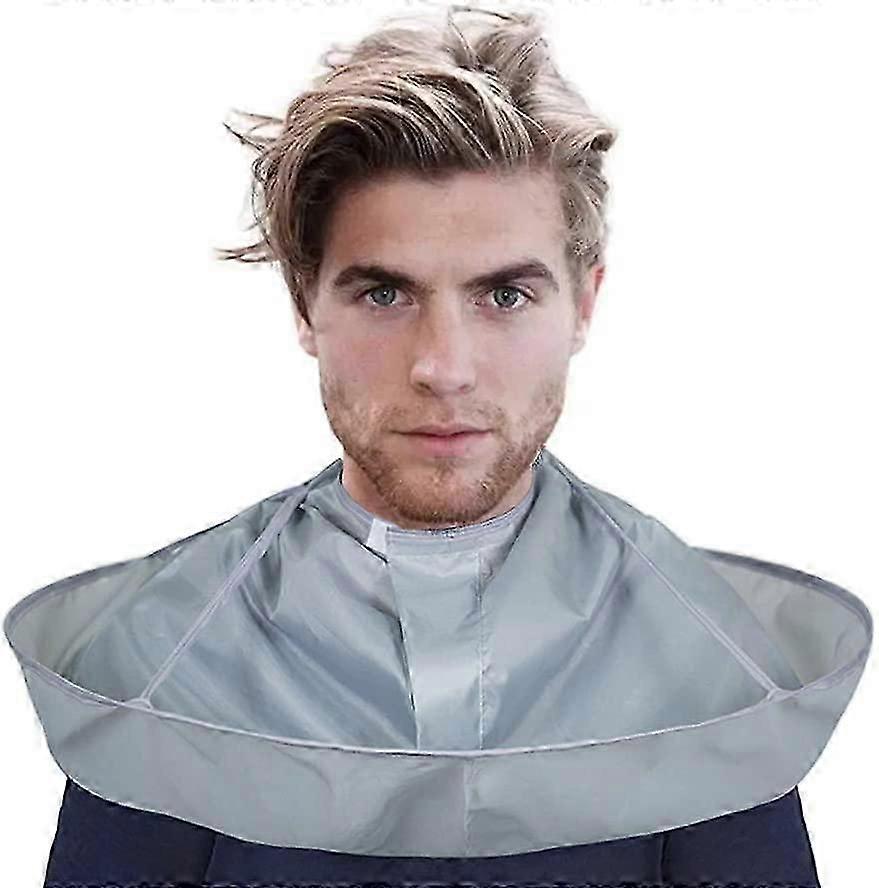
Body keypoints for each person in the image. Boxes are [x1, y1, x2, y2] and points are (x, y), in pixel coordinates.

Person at [6, 3, 869, 887]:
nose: (443, 367)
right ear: (305, 304)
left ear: (584, 303)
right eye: (385, 295)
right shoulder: (166, 656)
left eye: (504, 296)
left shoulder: (699, 652)